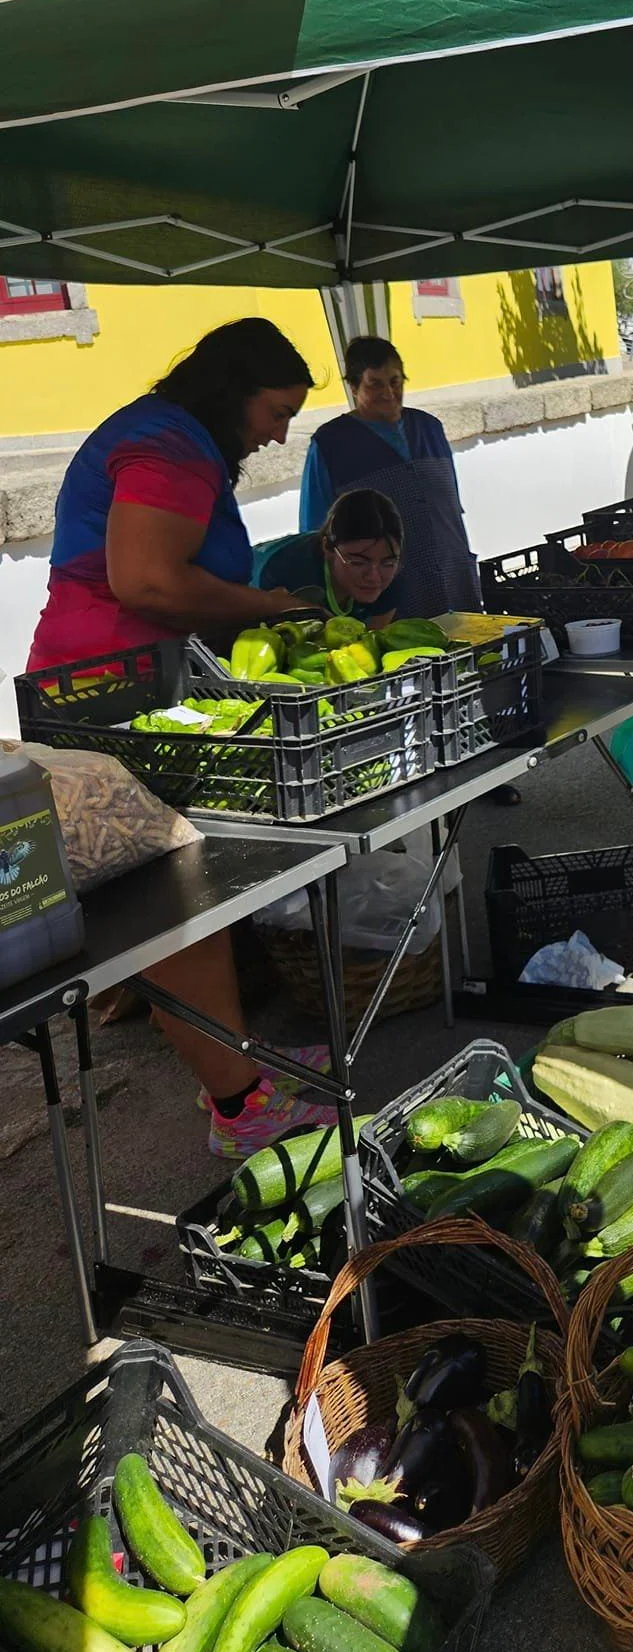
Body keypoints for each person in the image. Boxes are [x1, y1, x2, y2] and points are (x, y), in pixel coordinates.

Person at [29, 318, 336, 1158]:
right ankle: (241, 1109)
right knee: (177, 891)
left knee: (178, 887)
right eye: (276, 410)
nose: (279, 432)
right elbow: (150, 578)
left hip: (118, 686)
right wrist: (273, 608)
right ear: (233, 389)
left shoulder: (169, 434)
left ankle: (241, 1064)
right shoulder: (168, 443)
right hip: (106, 695)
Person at [300, 336, 478, 618]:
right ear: (354, 387)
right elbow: (314, 532)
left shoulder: (430, 428)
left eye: (395, 382)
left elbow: (451, 511)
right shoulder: (330, 444)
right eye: (375, 384)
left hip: (455, 584)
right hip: (386, 601)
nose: (389, 393)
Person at [254, 488, 404, 626]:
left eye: (388, 563)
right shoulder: (286, 576)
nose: (374, 577)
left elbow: (375, 640)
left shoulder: (392, 576)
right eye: (358, 563)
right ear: (327, 547)